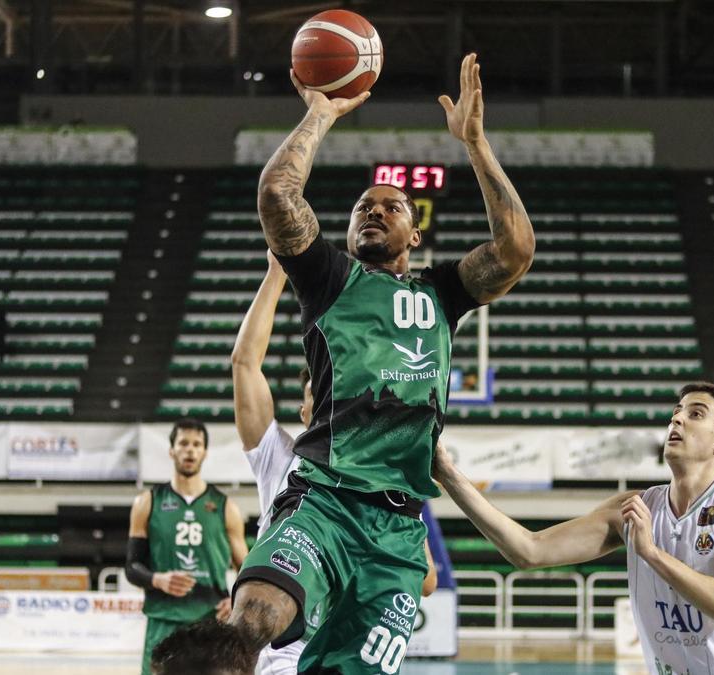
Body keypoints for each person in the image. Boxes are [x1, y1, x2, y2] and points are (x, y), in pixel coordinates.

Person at [219, 52, 534, 674]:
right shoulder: (331, 277)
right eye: (364, 205)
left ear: (414, 235)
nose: (374, 210)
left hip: (396, 533)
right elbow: (278, 196)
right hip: (324, 496)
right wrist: (319, 113)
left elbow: (516, 248)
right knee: (256, 612)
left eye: (391, 207)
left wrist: (474, 143)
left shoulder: (440, 293)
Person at [153, 255, 438, 675]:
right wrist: (276, 273)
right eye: (320, 394)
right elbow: (244, 364)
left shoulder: (386, 485)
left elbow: (425, 581)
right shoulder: (279, 455)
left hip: (341, 643)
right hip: (282, 651)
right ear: (308, 409)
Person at [434, 382, 714, 675]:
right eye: (676, 413)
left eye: (695, 414)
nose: (677, 420)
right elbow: (529, 551)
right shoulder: (637, 508)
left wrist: (652, 554)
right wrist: (449, 476)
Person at [125, 418, 250, 675]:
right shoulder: (147, 502)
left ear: (205, 452)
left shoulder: (226, 507)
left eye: (196, 444)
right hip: (164, 619)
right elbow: (132, 567)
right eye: (183, 443)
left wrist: (236, 601)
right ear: (172, 451)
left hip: (209, 622)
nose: (190, 450)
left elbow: (247, 569)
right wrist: (158, 579)